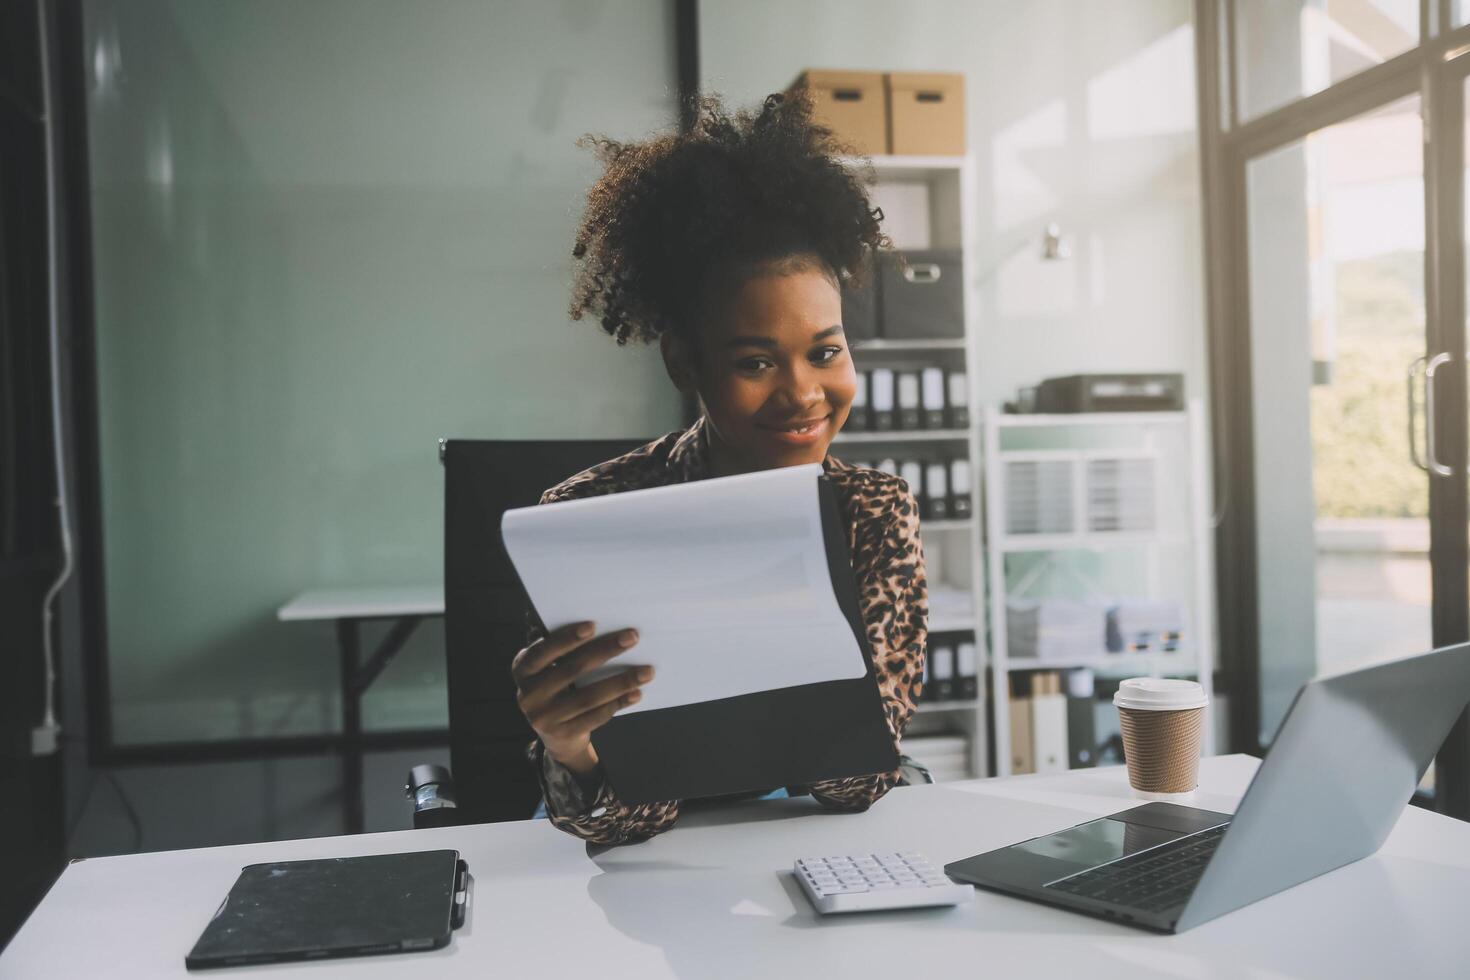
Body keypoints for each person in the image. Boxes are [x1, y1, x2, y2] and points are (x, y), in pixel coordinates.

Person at [511, 93, 928, 846]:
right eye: (755, 361)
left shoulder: (874, 510)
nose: (803, 393)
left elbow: (854, 783)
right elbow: (615, 822)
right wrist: (571, 749)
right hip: (633, 882)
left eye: (825, 352)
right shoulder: (589, 519)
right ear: (684, 363)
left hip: (801, 856)